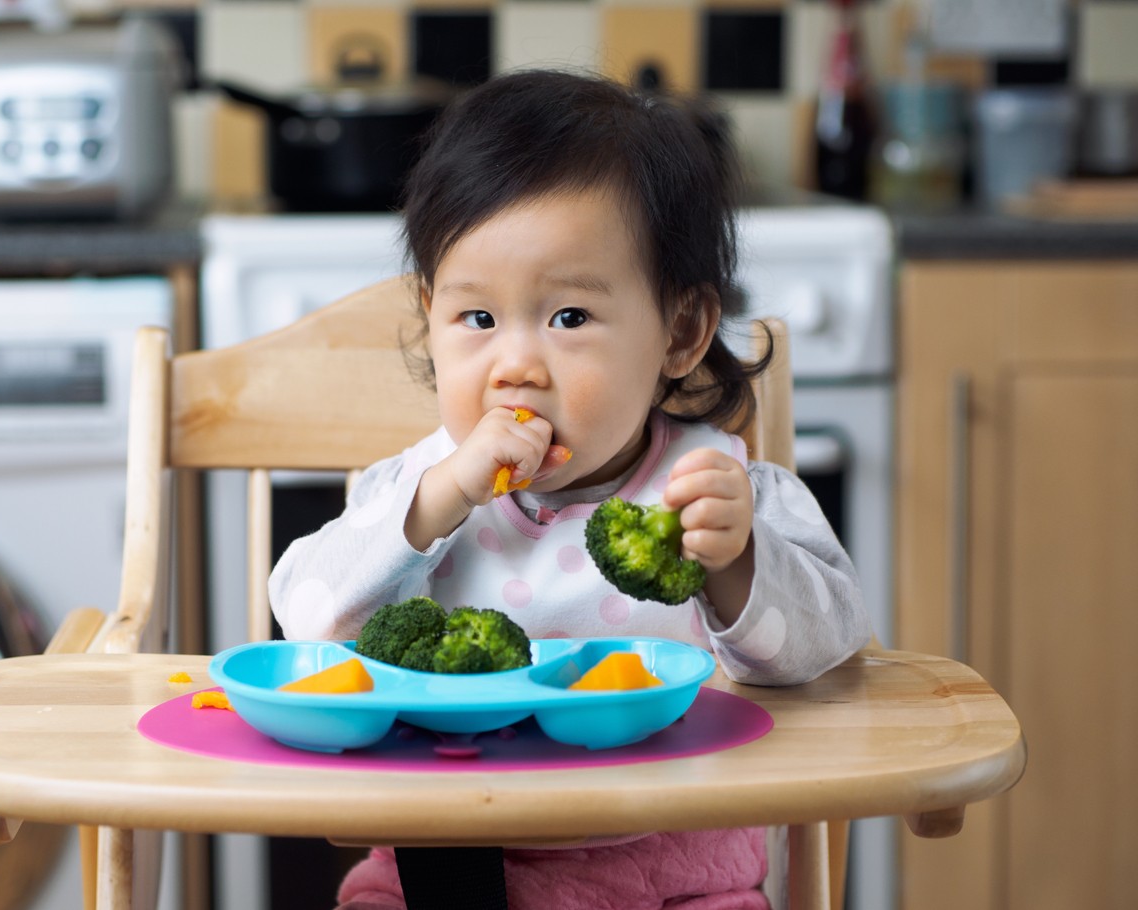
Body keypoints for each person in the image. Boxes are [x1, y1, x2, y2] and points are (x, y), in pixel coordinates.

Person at [269, 68, 870, 910]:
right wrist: (437, 502)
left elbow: (829, 641)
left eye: (569, 318)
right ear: (431, 318)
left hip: (675, 863)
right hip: (448, 863)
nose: (515, 365)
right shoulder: (415, 488)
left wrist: (736, 564)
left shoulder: (716, 490)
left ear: (682, 331)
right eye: (477, 319)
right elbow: (309, 618)